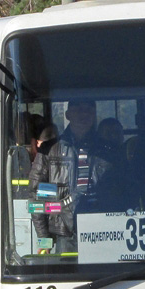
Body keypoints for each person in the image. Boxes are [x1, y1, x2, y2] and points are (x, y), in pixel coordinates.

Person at [28, 100, 112, 254]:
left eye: (88, 110)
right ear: (68, 115)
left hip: (104, 231)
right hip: (66, 235)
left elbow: (119, 191)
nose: (84, 114)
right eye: (79, 109)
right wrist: (44, 240)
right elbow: (37, 196)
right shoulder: (49, 151)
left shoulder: (107, 150)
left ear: (94, 115)